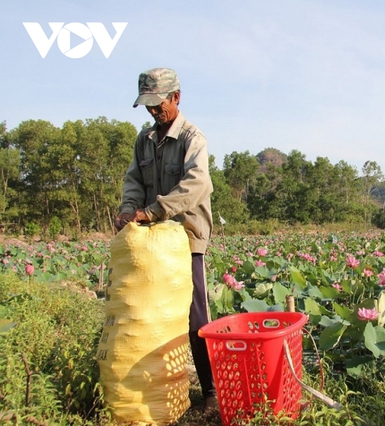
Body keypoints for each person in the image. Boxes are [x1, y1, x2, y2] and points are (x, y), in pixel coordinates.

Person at [115, 67, 216, 415]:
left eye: (158, 104)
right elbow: (133, 182)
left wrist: (154, 210)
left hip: (186, 237)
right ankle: (151, 388)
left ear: (176, 97)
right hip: (151, 240)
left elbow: (197, 185)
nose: (154, 112)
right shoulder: (144, 140)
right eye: (148, 106)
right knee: (145, 313)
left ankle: (210, 391)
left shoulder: (192, 138)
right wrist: (129, 209)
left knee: (195, 317)